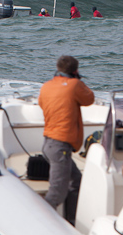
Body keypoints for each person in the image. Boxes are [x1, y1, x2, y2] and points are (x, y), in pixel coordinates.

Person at [38, 55, 95, 225]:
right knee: (56, 194)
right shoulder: (75, 85)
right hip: (60, 146)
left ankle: (70, 221)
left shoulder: (46, 86)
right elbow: (89, 99)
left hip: (48, 144)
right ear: (75, 70)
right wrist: (78, 80)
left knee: (75, 181)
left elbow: (42, 104)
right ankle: (41, 224)